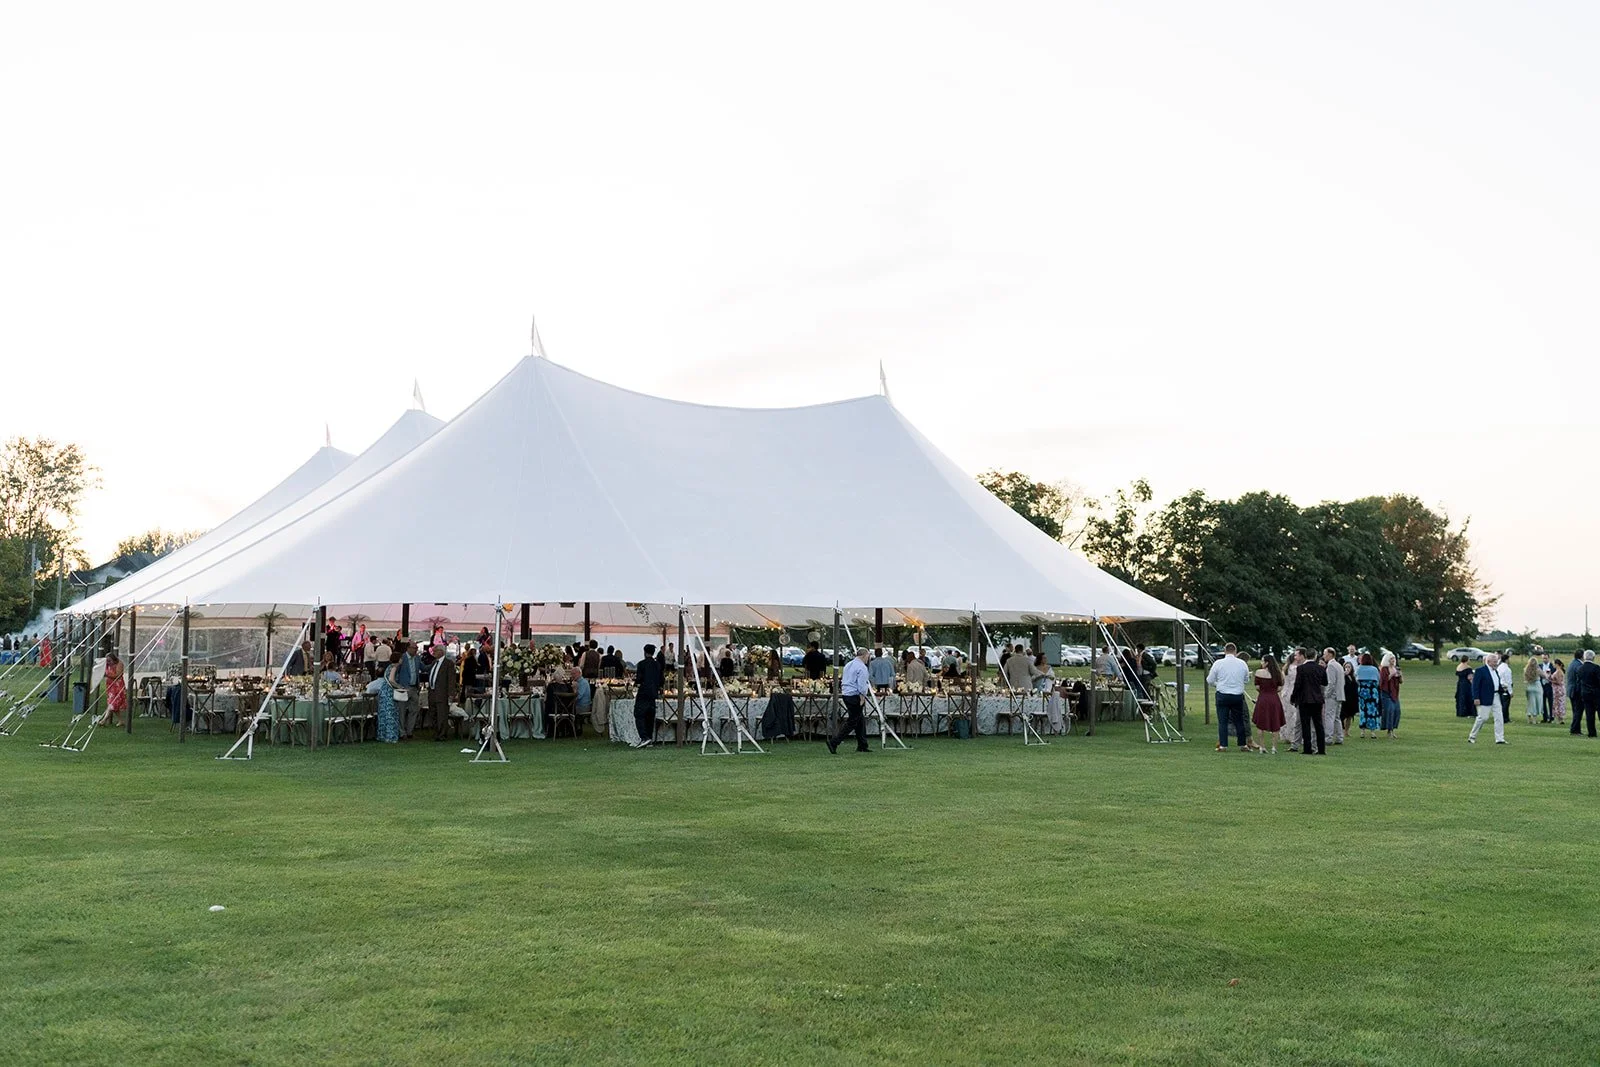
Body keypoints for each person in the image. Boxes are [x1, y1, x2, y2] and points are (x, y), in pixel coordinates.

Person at [1206, 642, 1252, 751]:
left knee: (1223, 721)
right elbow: (1246, 679)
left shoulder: (1218, 663)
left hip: (1222, 694)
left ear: (1225, 651)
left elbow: (1210, 680)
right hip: (1237, 695)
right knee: (1239, 720)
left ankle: (1223, 745)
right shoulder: (1242, 663)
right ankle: (1242, 744)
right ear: (1235, 651)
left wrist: (1218, 684)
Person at [828, 646, 871, 754]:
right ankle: (834, 742)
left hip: (847, 694)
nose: (868, 659)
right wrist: (862, 696)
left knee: (859, 720)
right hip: (855, 695)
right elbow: (862, 684)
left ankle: (862, 744)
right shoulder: (862, 667)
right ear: (864, 655)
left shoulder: (848, 665)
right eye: (867, 657)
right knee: (852, 721)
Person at [1290, 646, 1327, 755]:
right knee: (1318, 724)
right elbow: (1325, 682)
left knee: (1305, 724)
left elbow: (1298, 684)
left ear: (1306, 656)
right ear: (1315, 656)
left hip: (1304, 699)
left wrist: (1293, 697)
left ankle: (1307, 748)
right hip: (1317, 699)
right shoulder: (1320, 668)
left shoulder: (1301, 668)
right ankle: (1321, 749)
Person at [1468, 653, 1508, 744]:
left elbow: (1495, 683)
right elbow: (1475, 685)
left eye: (1496, 661)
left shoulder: (1495, 671)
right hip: (1485, 697)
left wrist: (1502, 689)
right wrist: (1476, 697)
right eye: (1494, 662)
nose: (1496, 663)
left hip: (1496, 696)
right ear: (1489, 662)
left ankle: (1499, 738)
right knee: (1483, 718)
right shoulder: (1480, 671)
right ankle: (1472, 736)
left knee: (1499, 717)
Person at [1251, 654, 1286, 754]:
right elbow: (1279, 688)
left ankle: (1262, 746)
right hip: (1274, 699)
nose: (1261, 663)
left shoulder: (1258, 672)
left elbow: (1257, 687)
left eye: (1262, 661)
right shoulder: (1278, 674)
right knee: (1275, 723)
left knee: (1260, 724)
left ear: (1266, 663)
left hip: (1262, 698)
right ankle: (1274, 747)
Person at [366, 649, 402, 744]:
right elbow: (391, 680)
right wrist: (399, 687)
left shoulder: (389, 667)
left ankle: (382, 735)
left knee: (384, 714)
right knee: (390, 714)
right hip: (389, 692)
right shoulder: (394, 667)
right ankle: (390, 736)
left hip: (384, 692)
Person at [634, 642, 663, 746]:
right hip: (653, 692)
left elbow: (639, 679)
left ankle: (644, 737)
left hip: (643, 692)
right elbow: (661, 680)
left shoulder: (641, 664)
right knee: (650, 716)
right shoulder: (657, 664)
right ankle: (649, 737)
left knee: (639, 714)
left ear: (645, 652)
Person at [428, 646, 457, 741]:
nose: (434, 653)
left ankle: (442, 734)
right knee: (433, 714)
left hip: (442, 693)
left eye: (435, 651)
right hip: (432, 692)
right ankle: (436, 732)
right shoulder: (433, 663)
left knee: (442, 714)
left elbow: (451, 680)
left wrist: (451, 694)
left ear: (441, 652)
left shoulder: (448, 663)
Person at [396, 640, 421, 739]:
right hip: (404, 688)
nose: (416, 650)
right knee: (402, 711)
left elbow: (423, 668)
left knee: (414, 710)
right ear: (408, 648)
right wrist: (398, 685)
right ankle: (402, 732)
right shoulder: (402, 658)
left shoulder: (417, 658)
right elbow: (396, 671)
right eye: (415, 648)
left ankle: (409, 731)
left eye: (416, 648)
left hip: (414, 688)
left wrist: (434, 664)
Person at [1320, 648, 1345, 745]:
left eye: (1325, 654)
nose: (1323, 656)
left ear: (1330, 654)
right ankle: (1339, 737)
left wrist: (1326, 695)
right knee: (1337, 717)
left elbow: (1331, 683)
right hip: (1340, 695)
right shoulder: (1338, 665)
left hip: (1332, 696)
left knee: (1329, 716)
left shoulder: (1330, 666)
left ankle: (1328, 738)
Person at [1572, 650, 1600, 738]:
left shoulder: (1580, 668)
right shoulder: (1596, 668)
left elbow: (1578, 682)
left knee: (1589, 714)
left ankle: (1592, 733)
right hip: (1596, 694)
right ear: (1593, 657)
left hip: (1585, 694)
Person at [98, 650, 128, 728]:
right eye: (107, 661)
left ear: (114, 659)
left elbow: (117, 675)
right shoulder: (107, 665)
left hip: (118, 687)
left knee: (112, 704)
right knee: (114, 705)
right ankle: (121, 720)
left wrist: (107, 675)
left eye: (109, 660)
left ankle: (103, 720)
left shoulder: (119, 664)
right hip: (110, 687)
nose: (108, 662)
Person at [1355, 653, 1381, 738]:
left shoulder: (1359, 668)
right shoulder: (1374, 669)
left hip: (1362, 691)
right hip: (1372, 691)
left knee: (1363, 710)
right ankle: (1373, 732)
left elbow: (1356, 679)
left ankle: (1362, 731)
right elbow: (1378, 680)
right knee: (1372, 711)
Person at [1378, 652, 1404, 737]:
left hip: (1395, 693)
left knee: (1397, 710)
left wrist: (1400, 676)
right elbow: (1383, 682)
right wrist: (1392, 674)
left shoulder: (1396, 668)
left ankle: (1393, 728)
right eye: (1391, 659)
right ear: (1387, 660)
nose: (1393, 660)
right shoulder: (1384, 669)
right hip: (1386, 693)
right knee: (1390, 710)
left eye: (1394, 659)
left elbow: (1401, 682)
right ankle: (1389, 730)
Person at [1523, 655, 1545, 725]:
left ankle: (1529, 718)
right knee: (1536, 703)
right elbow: (1544, 676)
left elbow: (1525, 679)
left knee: (1530, 703)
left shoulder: (1526, 669)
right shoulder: (1537, 670)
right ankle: (1535, 720)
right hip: (1537, 687)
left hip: (1529, 687)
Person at [1339, 660, 1358, 738]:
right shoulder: (1342, 676)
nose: (1347, 668)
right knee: (1343, 715)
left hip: (1352, 698)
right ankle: (1342, 730)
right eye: (1346, 667)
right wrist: (1343, 675)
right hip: (1345, 698)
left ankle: (1347, 731)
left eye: (1349, 667)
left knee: (1350, 716)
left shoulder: (1353, 677)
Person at [1497, 652, 1515, 728]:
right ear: (1507, 660)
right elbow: (1508, 681)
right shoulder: (1507, 669)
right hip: (1505, 687)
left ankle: (1502, 717)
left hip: (1499, 687)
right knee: (1506, 704)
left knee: (1501, 703)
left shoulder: (1499, 667)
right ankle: (1505, 718)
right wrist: (1510, 691)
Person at [1552, 659, 1568, 724]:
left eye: (1554, 664)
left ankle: (1560, 718)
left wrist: (1550, 680)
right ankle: (1560, 718)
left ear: (1556, 664)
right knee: (1559, 703)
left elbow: (1558, 681)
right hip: (1559, 689)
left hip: (1558, 689)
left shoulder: (1558, 671)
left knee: (1558, 703)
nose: (1553, 665)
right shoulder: (1559, 671)